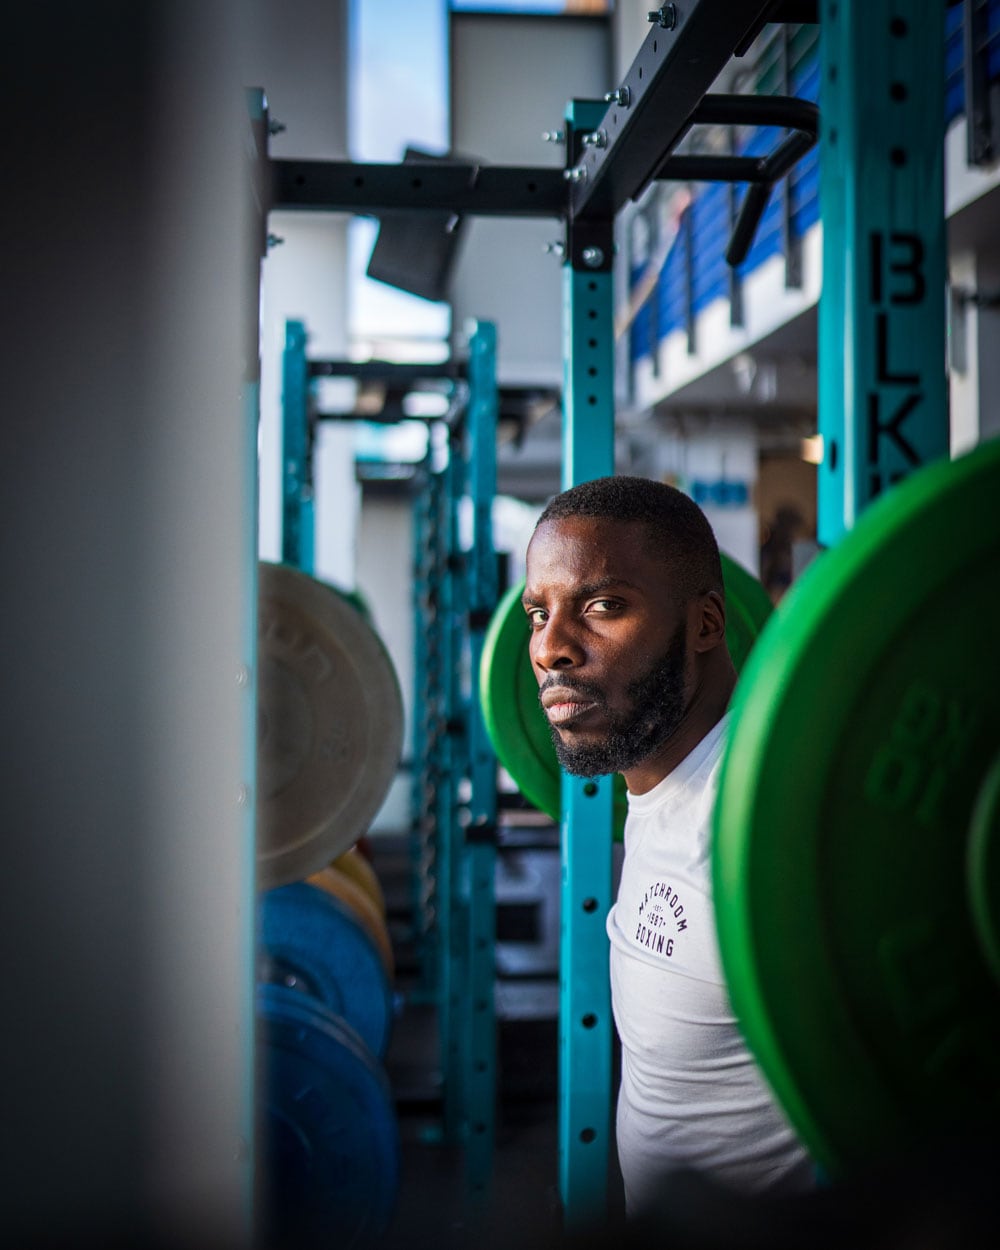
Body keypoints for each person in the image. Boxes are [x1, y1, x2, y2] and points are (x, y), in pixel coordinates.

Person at [522, 475, 814, 1218]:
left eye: (602, 607)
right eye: (537, 614)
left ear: (708, 623)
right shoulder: (660, 785)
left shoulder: (763, 834)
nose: (551, 648)